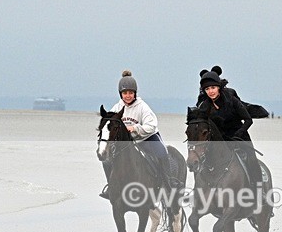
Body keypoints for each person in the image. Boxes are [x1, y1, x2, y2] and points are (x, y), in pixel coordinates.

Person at [100, 70, 179, 199]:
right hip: (129, 142)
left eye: (130, 93)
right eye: (125, 93)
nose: (128, 96)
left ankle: (168, 182)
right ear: (121, 94)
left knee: (162, 153)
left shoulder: (142, 107)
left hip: (147, 137)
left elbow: (151, 125)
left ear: (135, 93)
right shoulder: (116, 108)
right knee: (107, 160)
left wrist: (135, 128)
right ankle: (111, 186)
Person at [197, 69, 264, 188]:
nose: (210, 91)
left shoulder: (232, 100)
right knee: (201, 161)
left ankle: (260, 190)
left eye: (213, 88)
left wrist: (237, 135)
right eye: (207, 89)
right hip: (219, 140)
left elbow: (248, 120)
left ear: (219, 87)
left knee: (251, 160)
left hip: (239, 136)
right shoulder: (204, 106)